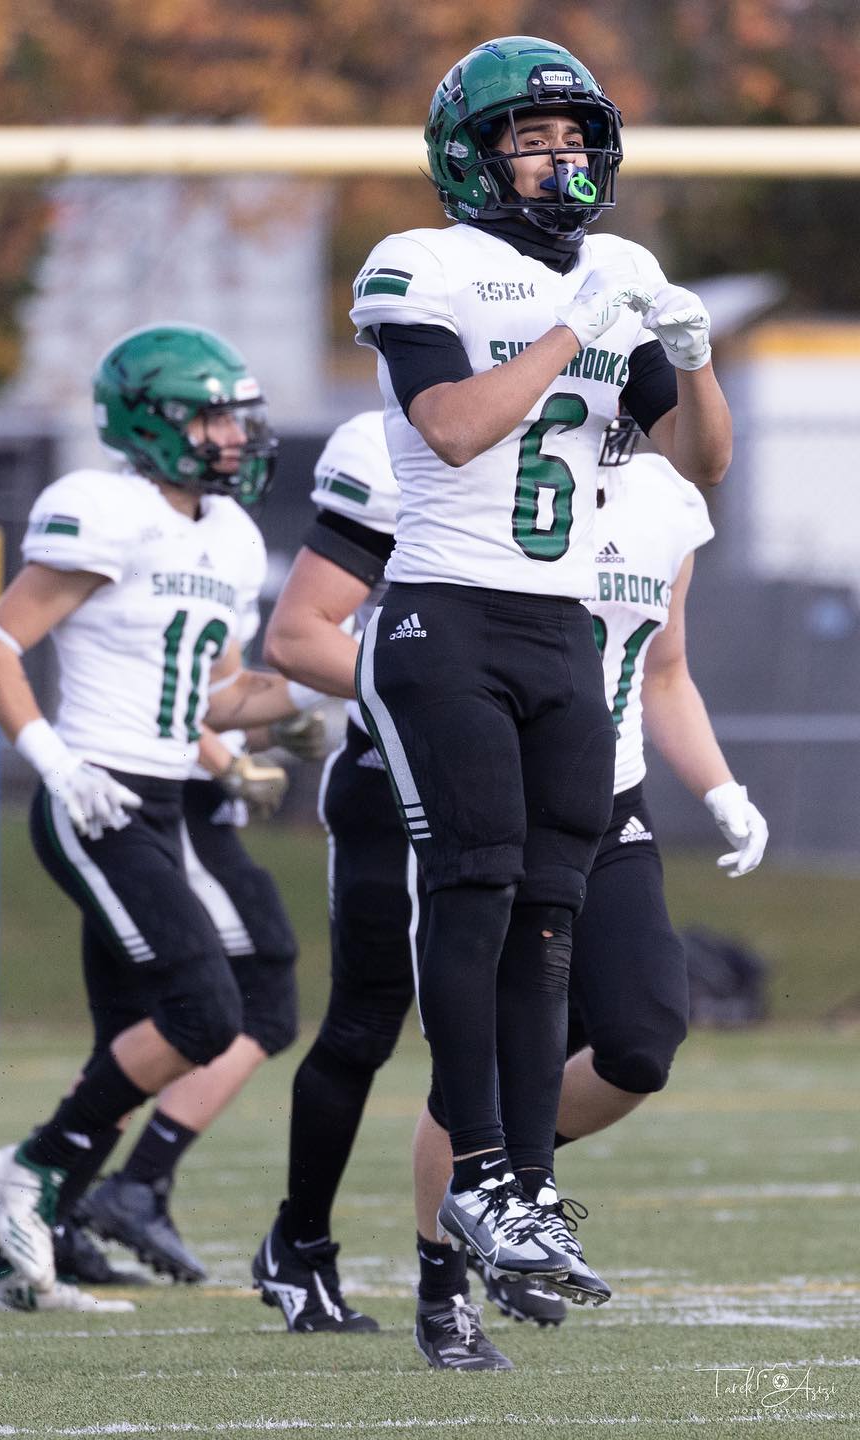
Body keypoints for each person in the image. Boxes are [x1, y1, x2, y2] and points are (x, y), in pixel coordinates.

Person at [347, 32, 732, 1315]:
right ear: (474, 155)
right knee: (476, 887)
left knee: (551, 924)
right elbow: (451, 431)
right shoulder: (426, 264)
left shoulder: (624, 267)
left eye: (575, 137)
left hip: (565, 626)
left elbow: (704, 460)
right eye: (531, 137)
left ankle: (516, 1186)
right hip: (448, 614)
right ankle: (482, 1168)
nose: (561, 158)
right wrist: (576, 330)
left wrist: (694, 347)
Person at [0, 323, 309, 1312]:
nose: (232, 436)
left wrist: (317, 697)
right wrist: (53, 763)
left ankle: (18, 1268)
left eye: (235, 416)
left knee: (132, 1039)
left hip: (164, 794)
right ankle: (31, 1171)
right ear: (149, 425)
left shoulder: (231, 537)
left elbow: (214, 697)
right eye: (209, 416)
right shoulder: (104, 511)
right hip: (94, 795)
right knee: (206, 1013)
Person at [407, 418, 768, 1366]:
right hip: (499, 795)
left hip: (608, 797)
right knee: (477, 1052)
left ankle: (511, 1198)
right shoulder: (494, 483)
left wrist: (723, 789)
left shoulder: (670, 501)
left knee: (642, 1038)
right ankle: (444, 1286)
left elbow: (666, 669)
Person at [250, 411, 418, 1336]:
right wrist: (438, 703)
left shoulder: (597, 451)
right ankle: (299, 1242)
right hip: (394, 769)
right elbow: (301, 634)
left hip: (530, 765)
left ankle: (496, 1228)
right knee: (364, 1021)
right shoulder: (386, 442)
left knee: (560, 1012)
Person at [70, 716, 322, 1285]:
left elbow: (212, 698)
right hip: (173, 805)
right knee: (265, 1002)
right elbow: (190, 694)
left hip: (153, 801)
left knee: (127, 1032)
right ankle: (135, 1183)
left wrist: (270, 727)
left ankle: (51, 1212)